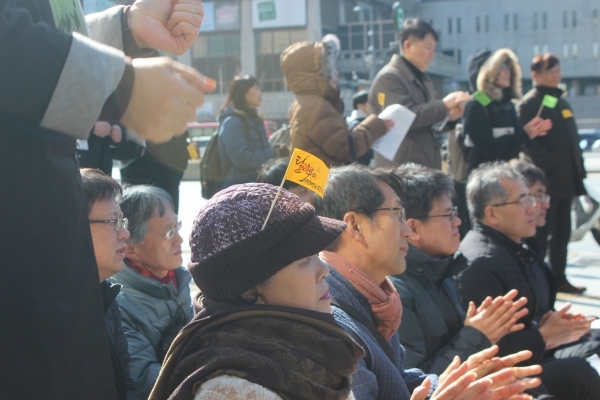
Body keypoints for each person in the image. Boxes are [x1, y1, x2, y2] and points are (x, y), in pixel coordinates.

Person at [0, 1, 212, 397]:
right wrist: (120, 84)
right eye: (115, 222)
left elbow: (39, 33)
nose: (178, 241)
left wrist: (124, 29)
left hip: (55, 281)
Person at [150, 183, 536, 400]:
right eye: (303, 261)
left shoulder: (307, 343)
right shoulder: (232, 389)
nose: (323, 270)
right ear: (251, 286)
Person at [316, 165, 542, 400]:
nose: (406, 231)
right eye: (397, 214)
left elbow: (400, 382)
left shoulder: (376, 297)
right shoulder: (334, 323)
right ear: (355, 226)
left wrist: (462, 377)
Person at [456, 162, 600, 400]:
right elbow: (486, 349)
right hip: (507, 376)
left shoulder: (518, 246)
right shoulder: (481, 264)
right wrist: (544, 335)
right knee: (579, 373)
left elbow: (532, 317)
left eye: (532, 199)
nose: (533, 208)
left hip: (538, 352)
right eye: (524, 201)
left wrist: (557, 326)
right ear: (492, 213)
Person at [371, 164, 528, 376]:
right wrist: (476, 335)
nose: (458, 222)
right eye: (448, 215)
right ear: (413, 228)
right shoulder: (395, 292)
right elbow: (415, 381)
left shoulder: (444, 270)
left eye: (454, 212)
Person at [516, 53, 588, 294]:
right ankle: (539, 281)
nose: (556, 77)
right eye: (551, 73)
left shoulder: (561, 102)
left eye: (558, 72)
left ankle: (559, 277)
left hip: (567, 182)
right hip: (546, 183)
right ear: (535, 75)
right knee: (540, 235)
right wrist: (548, 164)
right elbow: (527, 143)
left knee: (562, 234)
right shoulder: (529, 103)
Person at [114, 185, 193, 399]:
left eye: (178, 227)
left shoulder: (178, 276)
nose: (179, 240)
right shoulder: (121, 306)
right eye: (169, 232)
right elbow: (147, 384)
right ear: (131, 248)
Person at [369, 18, 471, 169]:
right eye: (428, 48)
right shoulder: (389, 77)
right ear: (408, 45)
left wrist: (448, 118)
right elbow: (405, 118)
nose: (432, 55)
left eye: (433, 49)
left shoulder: (424, 79)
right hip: (400, 171)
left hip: (421, 167)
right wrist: (444, 105)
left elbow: (427, 124)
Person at [281, 34, 392, 166]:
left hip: (314, 181)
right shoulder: (317, 107)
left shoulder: (306, 102)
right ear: (319, 74)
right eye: (331, 68)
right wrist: (376, 125)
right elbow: (344, 148)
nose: (336, 73)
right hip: (324, 183)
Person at [81, 168, 137, 400]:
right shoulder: (39, 311)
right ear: (73, 226)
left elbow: (124, 385)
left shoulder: (105, 293)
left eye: (122, 221)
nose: (125, 233)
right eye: (113, 222)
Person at [462, 49, 551, 171]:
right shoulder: (475, 106)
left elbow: (518, 142)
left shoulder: (508, 104)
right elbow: (488, 149)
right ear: (487, 72)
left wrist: (532, 132)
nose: (507, 71)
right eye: (501, 66)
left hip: (510, 178)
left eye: (509, 66)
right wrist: (525, 134)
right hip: (486, 181)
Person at [217, 75, 275, 189]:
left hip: (257, 186)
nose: (260, 93)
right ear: (244, 93)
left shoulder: (255, 119)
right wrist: (273, 154)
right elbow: (241, 158)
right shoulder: (232, 122)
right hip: (237, 189)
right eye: (256, 89)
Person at [120, 133, 190, 214]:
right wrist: (139, 151)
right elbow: (114, 144)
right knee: (137, 222)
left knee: (170, 222)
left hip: (170, 178)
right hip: (140, 179)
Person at [347, 90, 375, 166]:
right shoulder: (357, 124)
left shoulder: (354, 122)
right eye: (370, 103)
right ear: (360, 106)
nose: (374, 106)